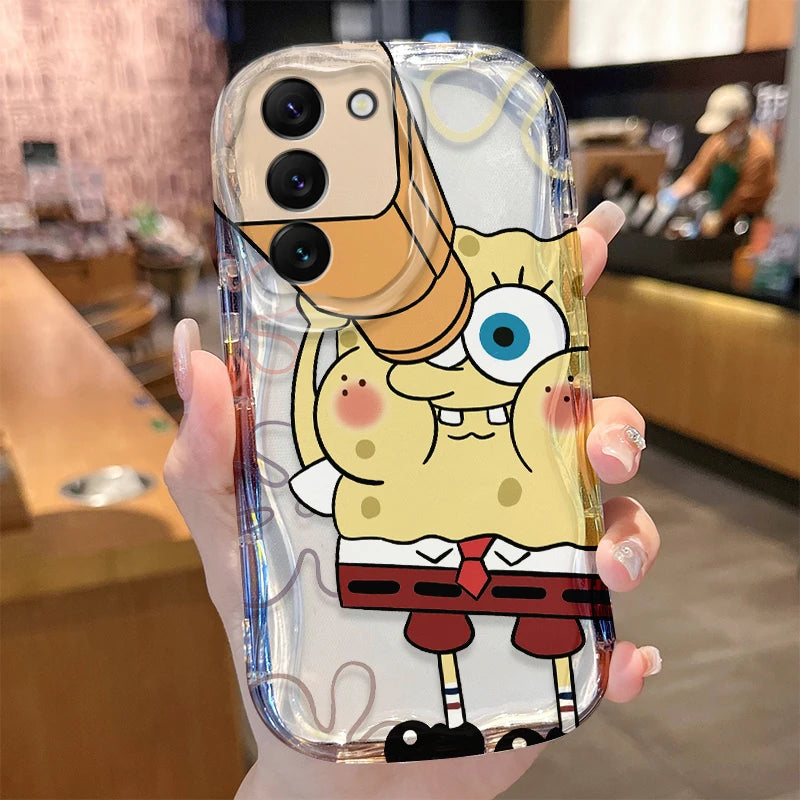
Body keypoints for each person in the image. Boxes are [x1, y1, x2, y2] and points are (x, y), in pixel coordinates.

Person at [165, 201, 663, 799]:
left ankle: (539, 677)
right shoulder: (363, 422)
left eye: (502, 337)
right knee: (438, 625)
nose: (450, 374)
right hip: (394, 559)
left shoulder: (532, 397)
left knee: (534, 625)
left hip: (519, 561)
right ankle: (470, 691)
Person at [659, 84, 776, 237]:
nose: (722, 133)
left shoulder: (760, 152)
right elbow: (695, 174)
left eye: (726, 127)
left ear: (742, 119)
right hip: (716, 220)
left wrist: (719, 217)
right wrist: (672, 194)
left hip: (746, 227)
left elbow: (745, 196)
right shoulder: (718, 142)